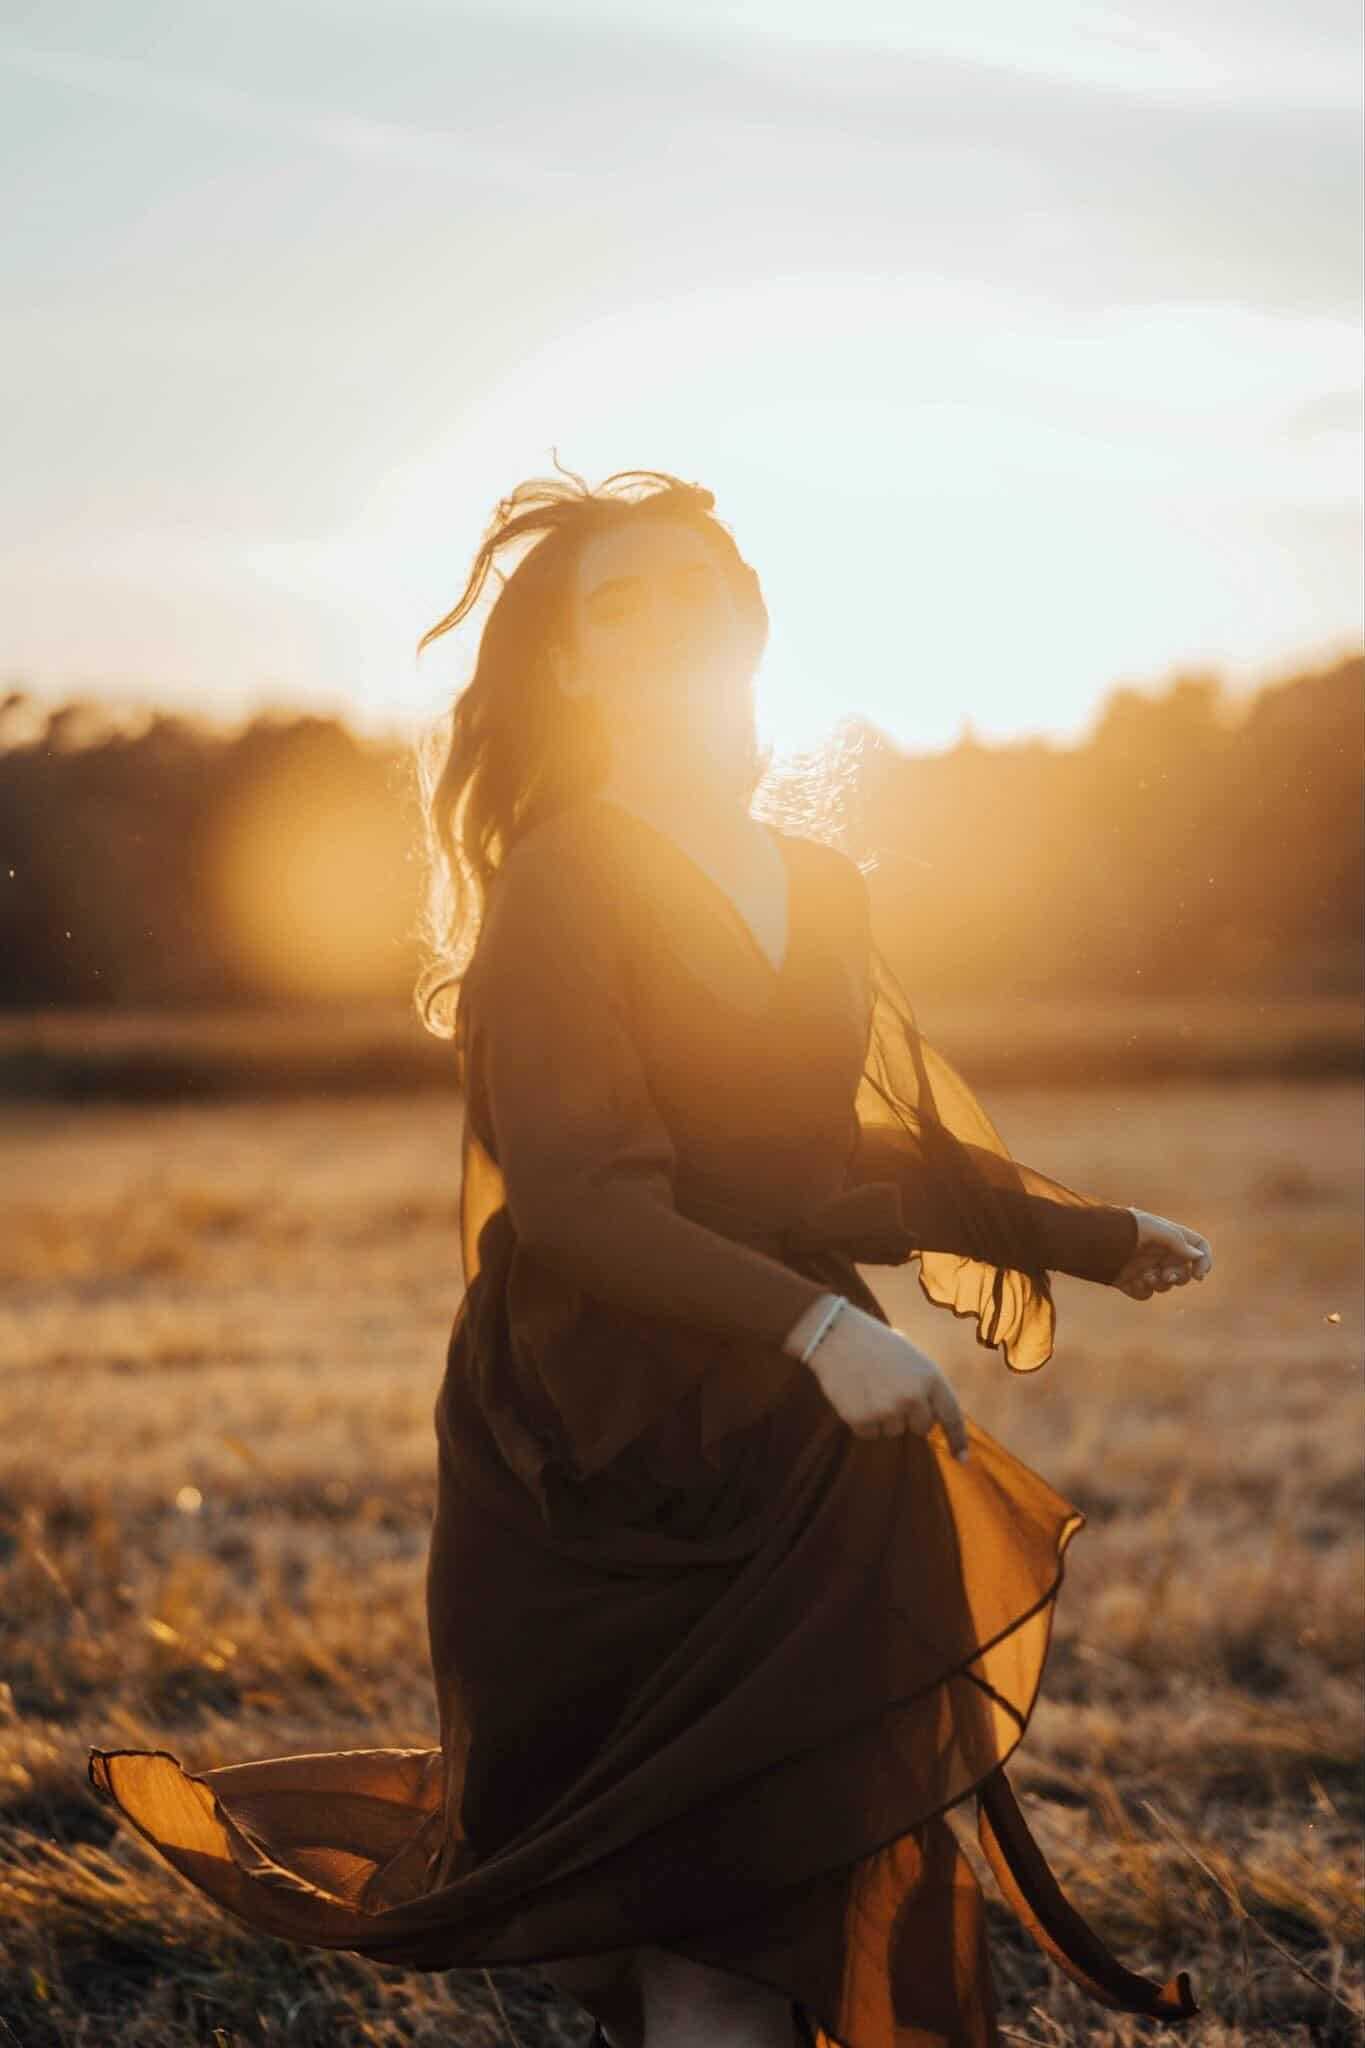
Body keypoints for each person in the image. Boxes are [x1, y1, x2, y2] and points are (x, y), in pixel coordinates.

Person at [88, 463, 1212, 2048]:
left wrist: (1084, 1236)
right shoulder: (558, 883)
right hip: (603, 1430)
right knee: (653, 1930)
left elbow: (835, 1154)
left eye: (704, 593)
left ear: (748, 634)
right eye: (627, 600)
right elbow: (582, 1199)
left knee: (763, 1907)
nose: (676, 620)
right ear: (572, 659)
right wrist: (825, 1338)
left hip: (804, 1450)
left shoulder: (819, 883)